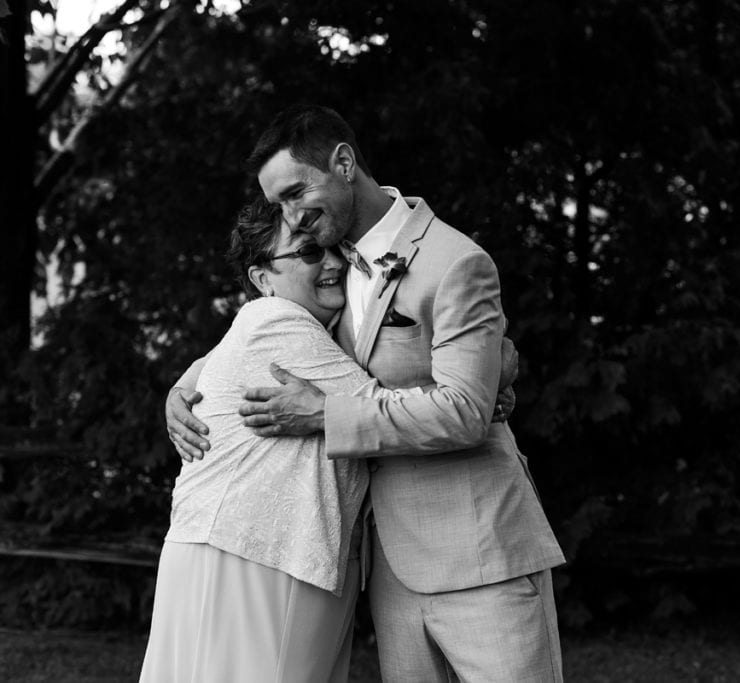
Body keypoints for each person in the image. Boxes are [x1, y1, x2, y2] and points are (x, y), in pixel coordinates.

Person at [167, 104, 566, 682]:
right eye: (279, 203)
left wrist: (328, 414)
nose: (292, 216)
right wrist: (187, 381)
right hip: (387, 570)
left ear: (345, 163)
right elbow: (278, 333)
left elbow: (463, 409)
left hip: (479, 550)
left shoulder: (455, 262)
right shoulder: (333, 271)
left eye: (297, 191)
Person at [142, 198, 423, 682]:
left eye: (335, 248)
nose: (333, 262)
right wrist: (481, 380)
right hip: (253, 559)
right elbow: (390, 411)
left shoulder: (288, 327)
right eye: (309, 253)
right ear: (262, 279)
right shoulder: (278, 323)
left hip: (240, 551)